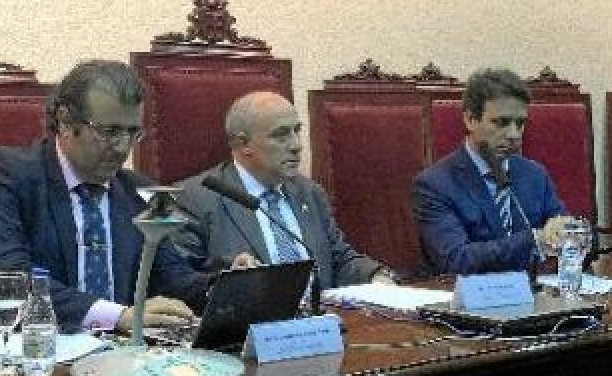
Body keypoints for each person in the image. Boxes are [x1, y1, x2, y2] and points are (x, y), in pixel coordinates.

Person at [0, 59, 208, 332]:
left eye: (132, 132)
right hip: (24, 354)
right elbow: (10, 279)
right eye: (109, 132)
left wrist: (232, 285)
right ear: (65, 121)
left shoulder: (137, 191)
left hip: (119, 363)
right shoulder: (5, 175)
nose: (123, 148)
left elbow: (172, 279)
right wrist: (118, 316)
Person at [173, 91, 395, 289]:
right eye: (281, 135)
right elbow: (179, 281)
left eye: (297, 131)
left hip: (322, 325)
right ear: (244, 144)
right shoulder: (196, 199)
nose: (296, 145)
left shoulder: (309, 193)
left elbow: (339, 259)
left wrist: (376, 277)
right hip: (249, 329)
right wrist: (229, 282)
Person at [413, 68, 575, 275]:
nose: (514, 135)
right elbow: (456, 259)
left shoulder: (534, 175)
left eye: (520, 123)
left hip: (535, 298)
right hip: (468, 300)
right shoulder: (435, 184)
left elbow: (565, 232)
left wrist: (573, 233)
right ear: (471, 119)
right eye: (501, 122)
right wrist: (535, 240)